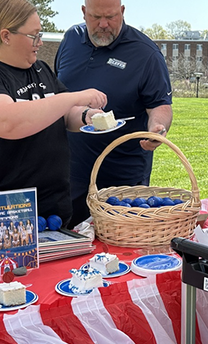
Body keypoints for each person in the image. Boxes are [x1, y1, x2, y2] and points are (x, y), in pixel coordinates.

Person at [0, 0, 107, 240]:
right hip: (1, 213)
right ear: (6, 35)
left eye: (41, 34)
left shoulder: (40, 69)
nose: (40, 43)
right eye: (34, 36)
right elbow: (8, 122)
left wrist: (86, 116)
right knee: (10, 277)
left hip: (51, 208)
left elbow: (62, 113)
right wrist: (76, 97)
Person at [55, 0, 173, 228]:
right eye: (96, 17)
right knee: (69, 242)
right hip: (70, 173)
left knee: (117, 248)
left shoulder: (145, 53)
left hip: (121, 179)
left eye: (111, 17)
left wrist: (156, 129)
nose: (103, 24)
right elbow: (57, 93)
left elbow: (160, 105)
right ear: (83, 12)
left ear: (122, 12)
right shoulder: (70, 40)